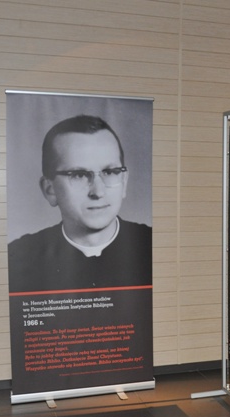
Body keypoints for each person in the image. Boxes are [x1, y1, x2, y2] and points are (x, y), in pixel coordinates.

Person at [8, 115, 152, 292]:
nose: (98, 192)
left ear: (124, 182)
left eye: (110, 172)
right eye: (79, 175)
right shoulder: (18, 258)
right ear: (50, 190)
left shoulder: (154, 246)